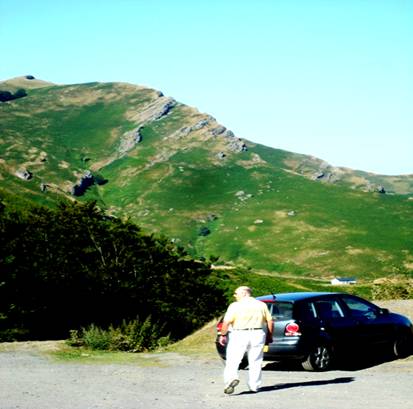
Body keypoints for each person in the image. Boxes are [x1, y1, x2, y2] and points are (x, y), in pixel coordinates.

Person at [218, 286, 273, 394]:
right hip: (257, 333)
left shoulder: (235, 306)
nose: (234, 295)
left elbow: (226, 322)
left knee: (233, 359)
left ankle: (231, 379)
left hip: (239, 333)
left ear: (244, 293)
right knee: (256, 361)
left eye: (236, 293)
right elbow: (270, 321)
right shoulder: (261, 305)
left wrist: (222, 335)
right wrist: (269, 336)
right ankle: (254, 386)